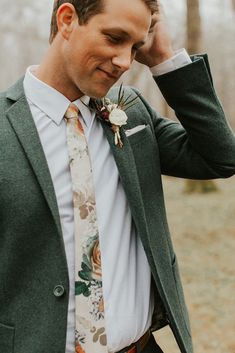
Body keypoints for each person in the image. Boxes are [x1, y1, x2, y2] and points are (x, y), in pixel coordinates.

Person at [0, 0, 234, 352]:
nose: (125, 61)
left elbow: (220, 159)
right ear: (67, 20)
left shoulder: (131, 110)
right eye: (114, 38)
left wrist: (163, 59)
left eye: (135, 46)